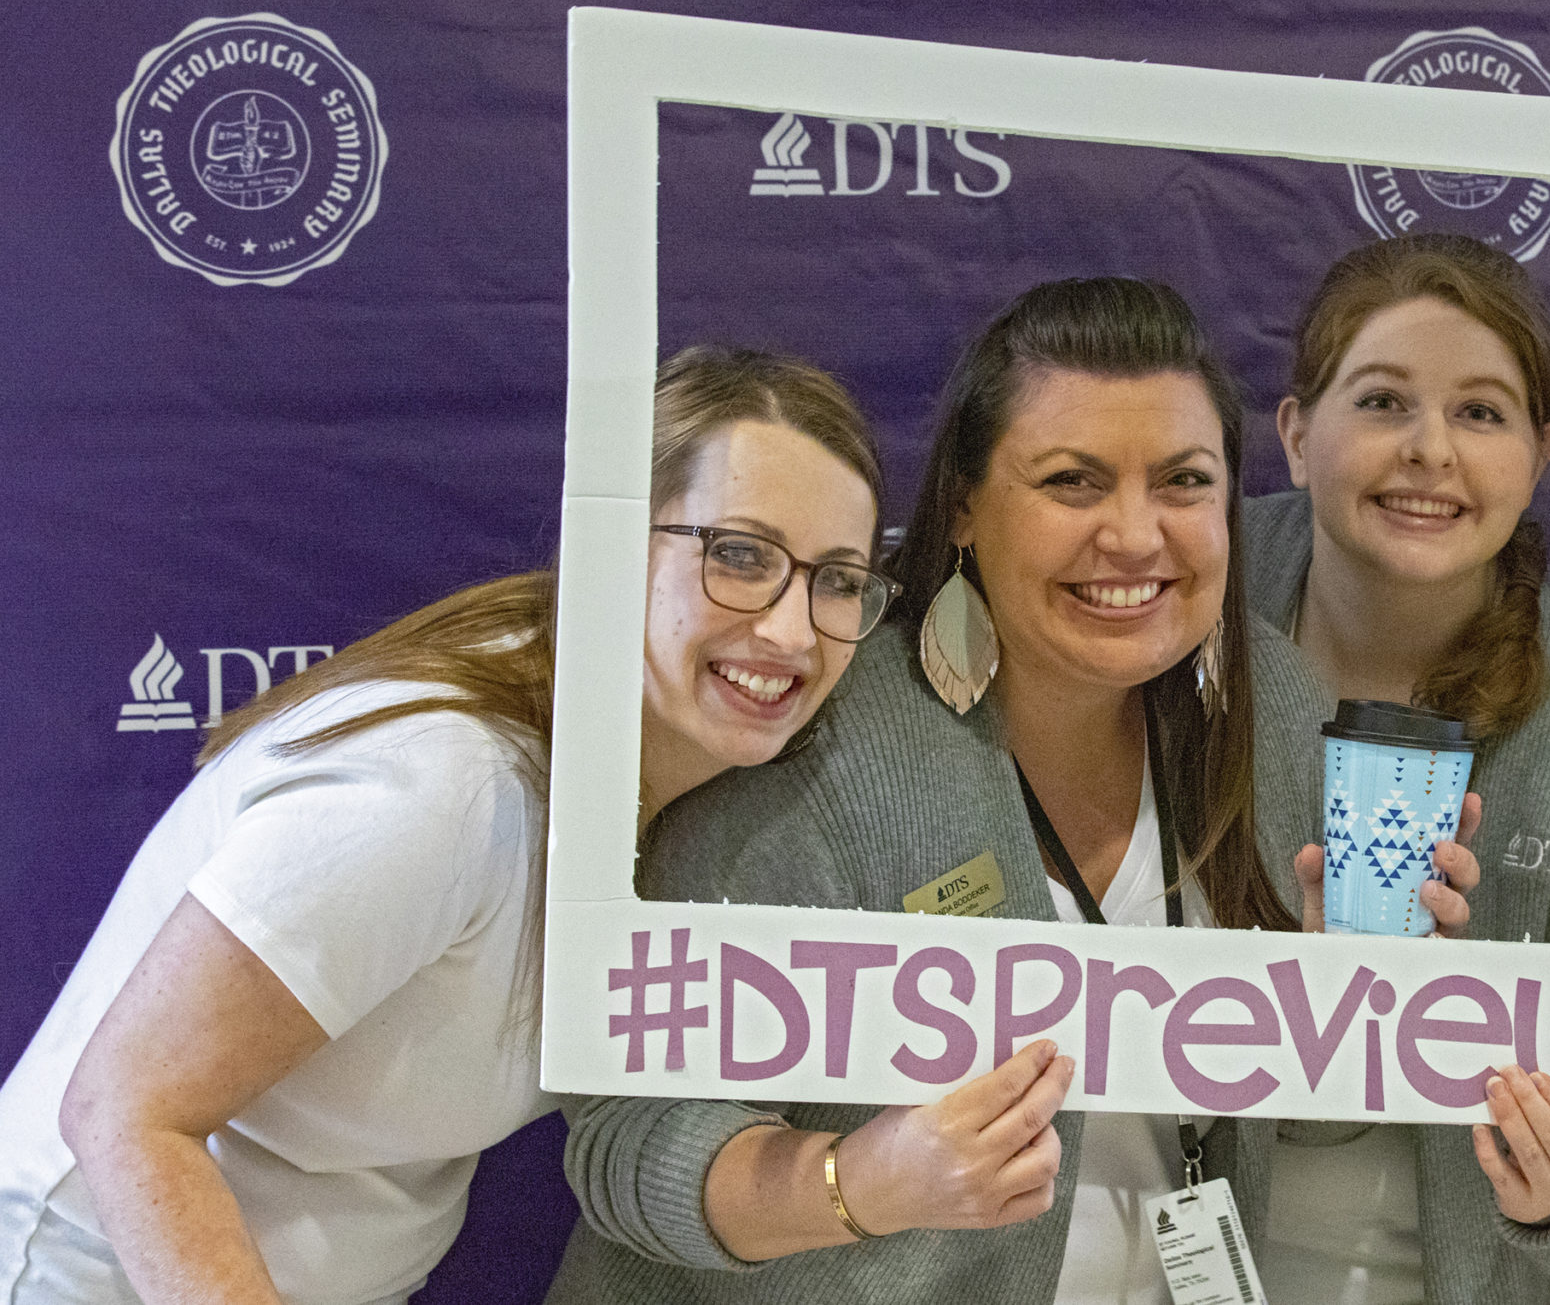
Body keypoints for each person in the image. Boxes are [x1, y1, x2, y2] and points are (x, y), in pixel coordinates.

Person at [553, 277, 1479, 1305]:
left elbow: (1285, 1113)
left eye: (1182, 480)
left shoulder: (1279, 714)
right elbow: (625, 1143)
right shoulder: (817, 739)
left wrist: (1339, 1011)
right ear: (961, 504)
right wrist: (857, 1182)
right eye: (1072, 481)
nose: (1134, 535)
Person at [0, 346, 891, 1305]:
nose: (793, 632)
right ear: (610, 544)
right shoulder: (443, 783)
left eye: (837, 579)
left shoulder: (671, 790)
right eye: (741, 556)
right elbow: (125, 1108)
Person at [1245, 233, 1550, 1305]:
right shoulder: (1180, 616)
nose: (1430, 450)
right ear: (1293, 433)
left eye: (1480, 412)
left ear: (1540, 452)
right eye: (1380, 402)